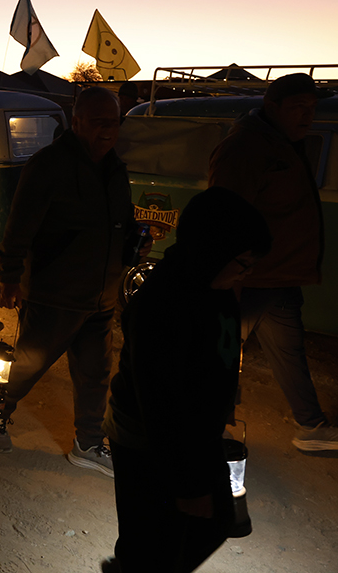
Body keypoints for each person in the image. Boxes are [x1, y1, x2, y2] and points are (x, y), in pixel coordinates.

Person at [103, 187, 271, 573]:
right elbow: (160, 404)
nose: (248, 273)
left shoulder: (218, 289)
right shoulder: (162, 307)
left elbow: (221, 354)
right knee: (153, 543)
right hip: (147, 441)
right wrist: (188, 486)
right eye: (243, 263)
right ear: (212, 252)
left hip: (195, 433)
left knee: (217, 521)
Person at [0, 86, 146, 476]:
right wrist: (9, 277)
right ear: (77, 123)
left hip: (100, 293)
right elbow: (20, 224)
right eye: (99, 122)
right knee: (28, 364)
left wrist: (133, 243)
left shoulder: (115, 168)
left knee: (95, 374)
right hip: (55, 289)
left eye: (115, 122)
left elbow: (117, 221)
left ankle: (87, 442)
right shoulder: (49, 165)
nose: (109, 131)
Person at [208, 72, 338, 451]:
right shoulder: (246, 147)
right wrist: (227, 280)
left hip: (278, 276)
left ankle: (311, 426)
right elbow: (224, 217)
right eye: (299, 108)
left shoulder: (281, 140)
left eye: (312, 109)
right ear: (272, 106)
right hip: (249, 278)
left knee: (288, 351)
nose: (307, 116)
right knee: (224, 351)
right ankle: (214, 426)